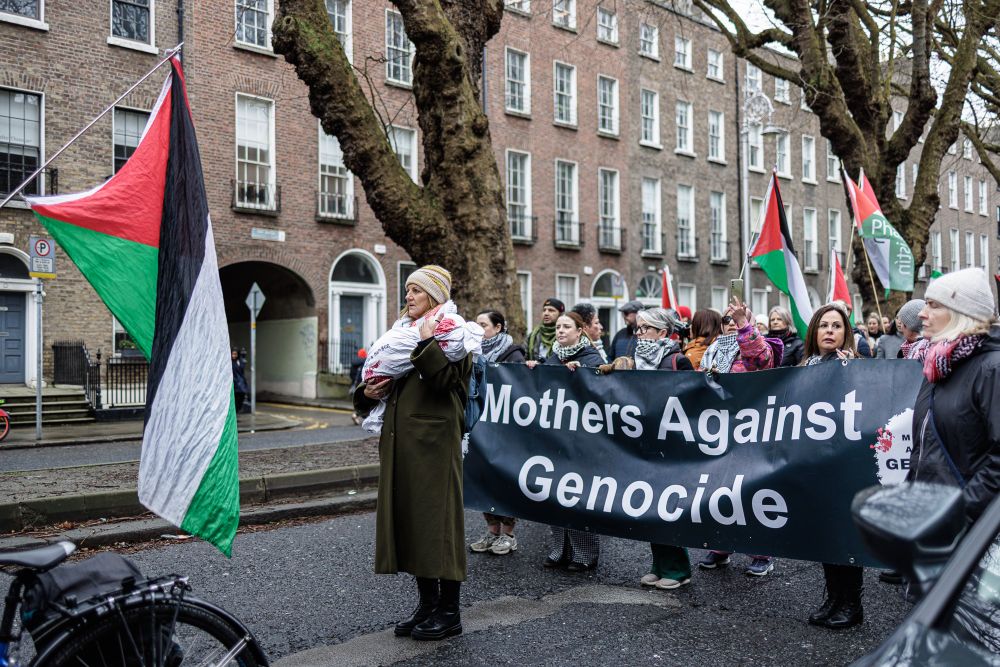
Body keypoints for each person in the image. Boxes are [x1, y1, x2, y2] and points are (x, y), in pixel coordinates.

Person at [353, 265, 473, 641]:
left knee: (439, 524)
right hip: (401, 440)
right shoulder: (399, 334)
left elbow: (449, 382)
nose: (408, 296)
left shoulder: (455, 333)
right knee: (412, 521)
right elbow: (381, 384)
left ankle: (449, 611)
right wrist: (365, 393)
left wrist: (426, 343)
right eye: (407, 289)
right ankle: (427, 604)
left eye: (416, 291)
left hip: (435, 443)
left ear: (435, 297)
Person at [907, 268, 1000, 526]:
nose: (922, 314)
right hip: (931, 521)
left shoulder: (992, 369)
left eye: (933, 305)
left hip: (968, 532)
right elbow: (924, 449)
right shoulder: (937, 366)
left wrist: (959, 511)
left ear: (962, 314)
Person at [699, 298, 782, 576]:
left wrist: (745, 325)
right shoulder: (712, 351)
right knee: (717, 489)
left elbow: (759, 361)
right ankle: (721, 545)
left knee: (748, 491)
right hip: (719, 430)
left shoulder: (762, 345)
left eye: (736, 320)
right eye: (727, 321)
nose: (731, 325)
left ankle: (761, 551)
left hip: (750, 430)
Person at [797, 303, 863, 630]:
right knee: (825, 534)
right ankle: (833, 597)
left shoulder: (854, 367)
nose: (830, 331)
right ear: (815, 331)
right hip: (815, 464)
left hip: (844, 465)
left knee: (844, 535)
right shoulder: (804, 367)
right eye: (824, 326)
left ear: (845, 332)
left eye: (836, 326)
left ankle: (852, 602)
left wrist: (851, 371)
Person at [526, 312, 604, 571]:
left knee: (575, 495)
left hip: (581, 437)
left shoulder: (591, 358)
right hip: (554, 436)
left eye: (566, 326)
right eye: (558, 327)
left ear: (579, 331)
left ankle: (585, 553)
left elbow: (602, 390)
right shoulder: (554, 355)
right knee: (553, 493)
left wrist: (583, 375)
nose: (560, 331)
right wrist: (535, 371)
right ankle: (561, 549)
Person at [630, 308, 696, 590]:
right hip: (645, 441)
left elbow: (695, 400)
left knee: (668, 506)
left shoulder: (677, 360)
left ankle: (678, 568)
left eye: (645, 328)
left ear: (661, 332)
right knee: (649, 506)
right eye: (638, 328)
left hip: (672, 444)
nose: (639, 333)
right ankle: (658, 564)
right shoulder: (634, 361)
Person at [469, 310, 524, 557]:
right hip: (481, 424)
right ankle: (492, 531)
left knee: (504, 479)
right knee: (483, 479)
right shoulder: (472, 352)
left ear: (498, 327)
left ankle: (508, 534)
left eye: (484, 324)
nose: (479, 329)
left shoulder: (514, 353)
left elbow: (521, 387)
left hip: (506, 429)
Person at [231, 348, 248, 412]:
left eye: (235, 354)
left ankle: (237, 411)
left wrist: (243, 357)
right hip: (234, 384)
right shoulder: (230, 362)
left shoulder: (239, 361)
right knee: (235, 400)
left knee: (240, 399)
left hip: (240, 384)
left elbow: (242, 368)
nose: (233, 356)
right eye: (232, 354)